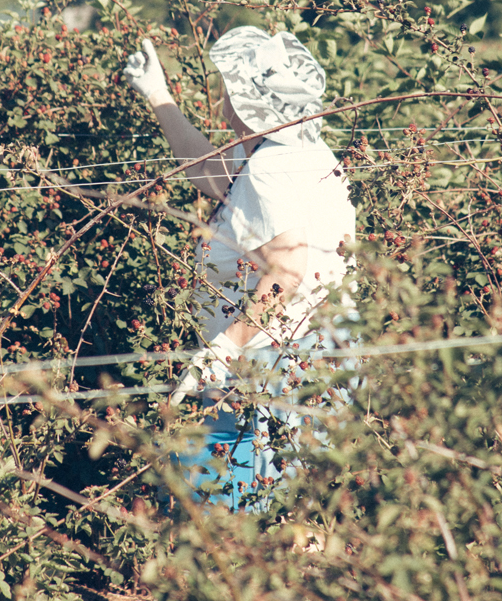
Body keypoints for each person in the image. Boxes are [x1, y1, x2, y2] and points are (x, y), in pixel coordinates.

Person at [124, 25, 355, 505]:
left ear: (249, 101)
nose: (223, 96)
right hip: (314, 353)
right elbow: (206, 169)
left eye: (231, 87)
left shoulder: (270, 169)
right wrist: (158, 95)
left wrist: (222, 351)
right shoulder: (295, 153)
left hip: (274, 362)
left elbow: (288, 270)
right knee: (283, 510)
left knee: (246, 513)